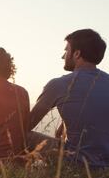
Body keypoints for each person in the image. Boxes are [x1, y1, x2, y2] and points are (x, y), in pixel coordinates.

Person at [29, 29, 109, 168]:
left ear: (77, 54)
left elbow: (27, 123)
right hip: (106, 165)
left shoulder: (59, 84)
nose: (63, 56)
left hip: (76, 162)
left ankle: (16, 172)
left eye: (66, 50)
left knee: (21, 134)